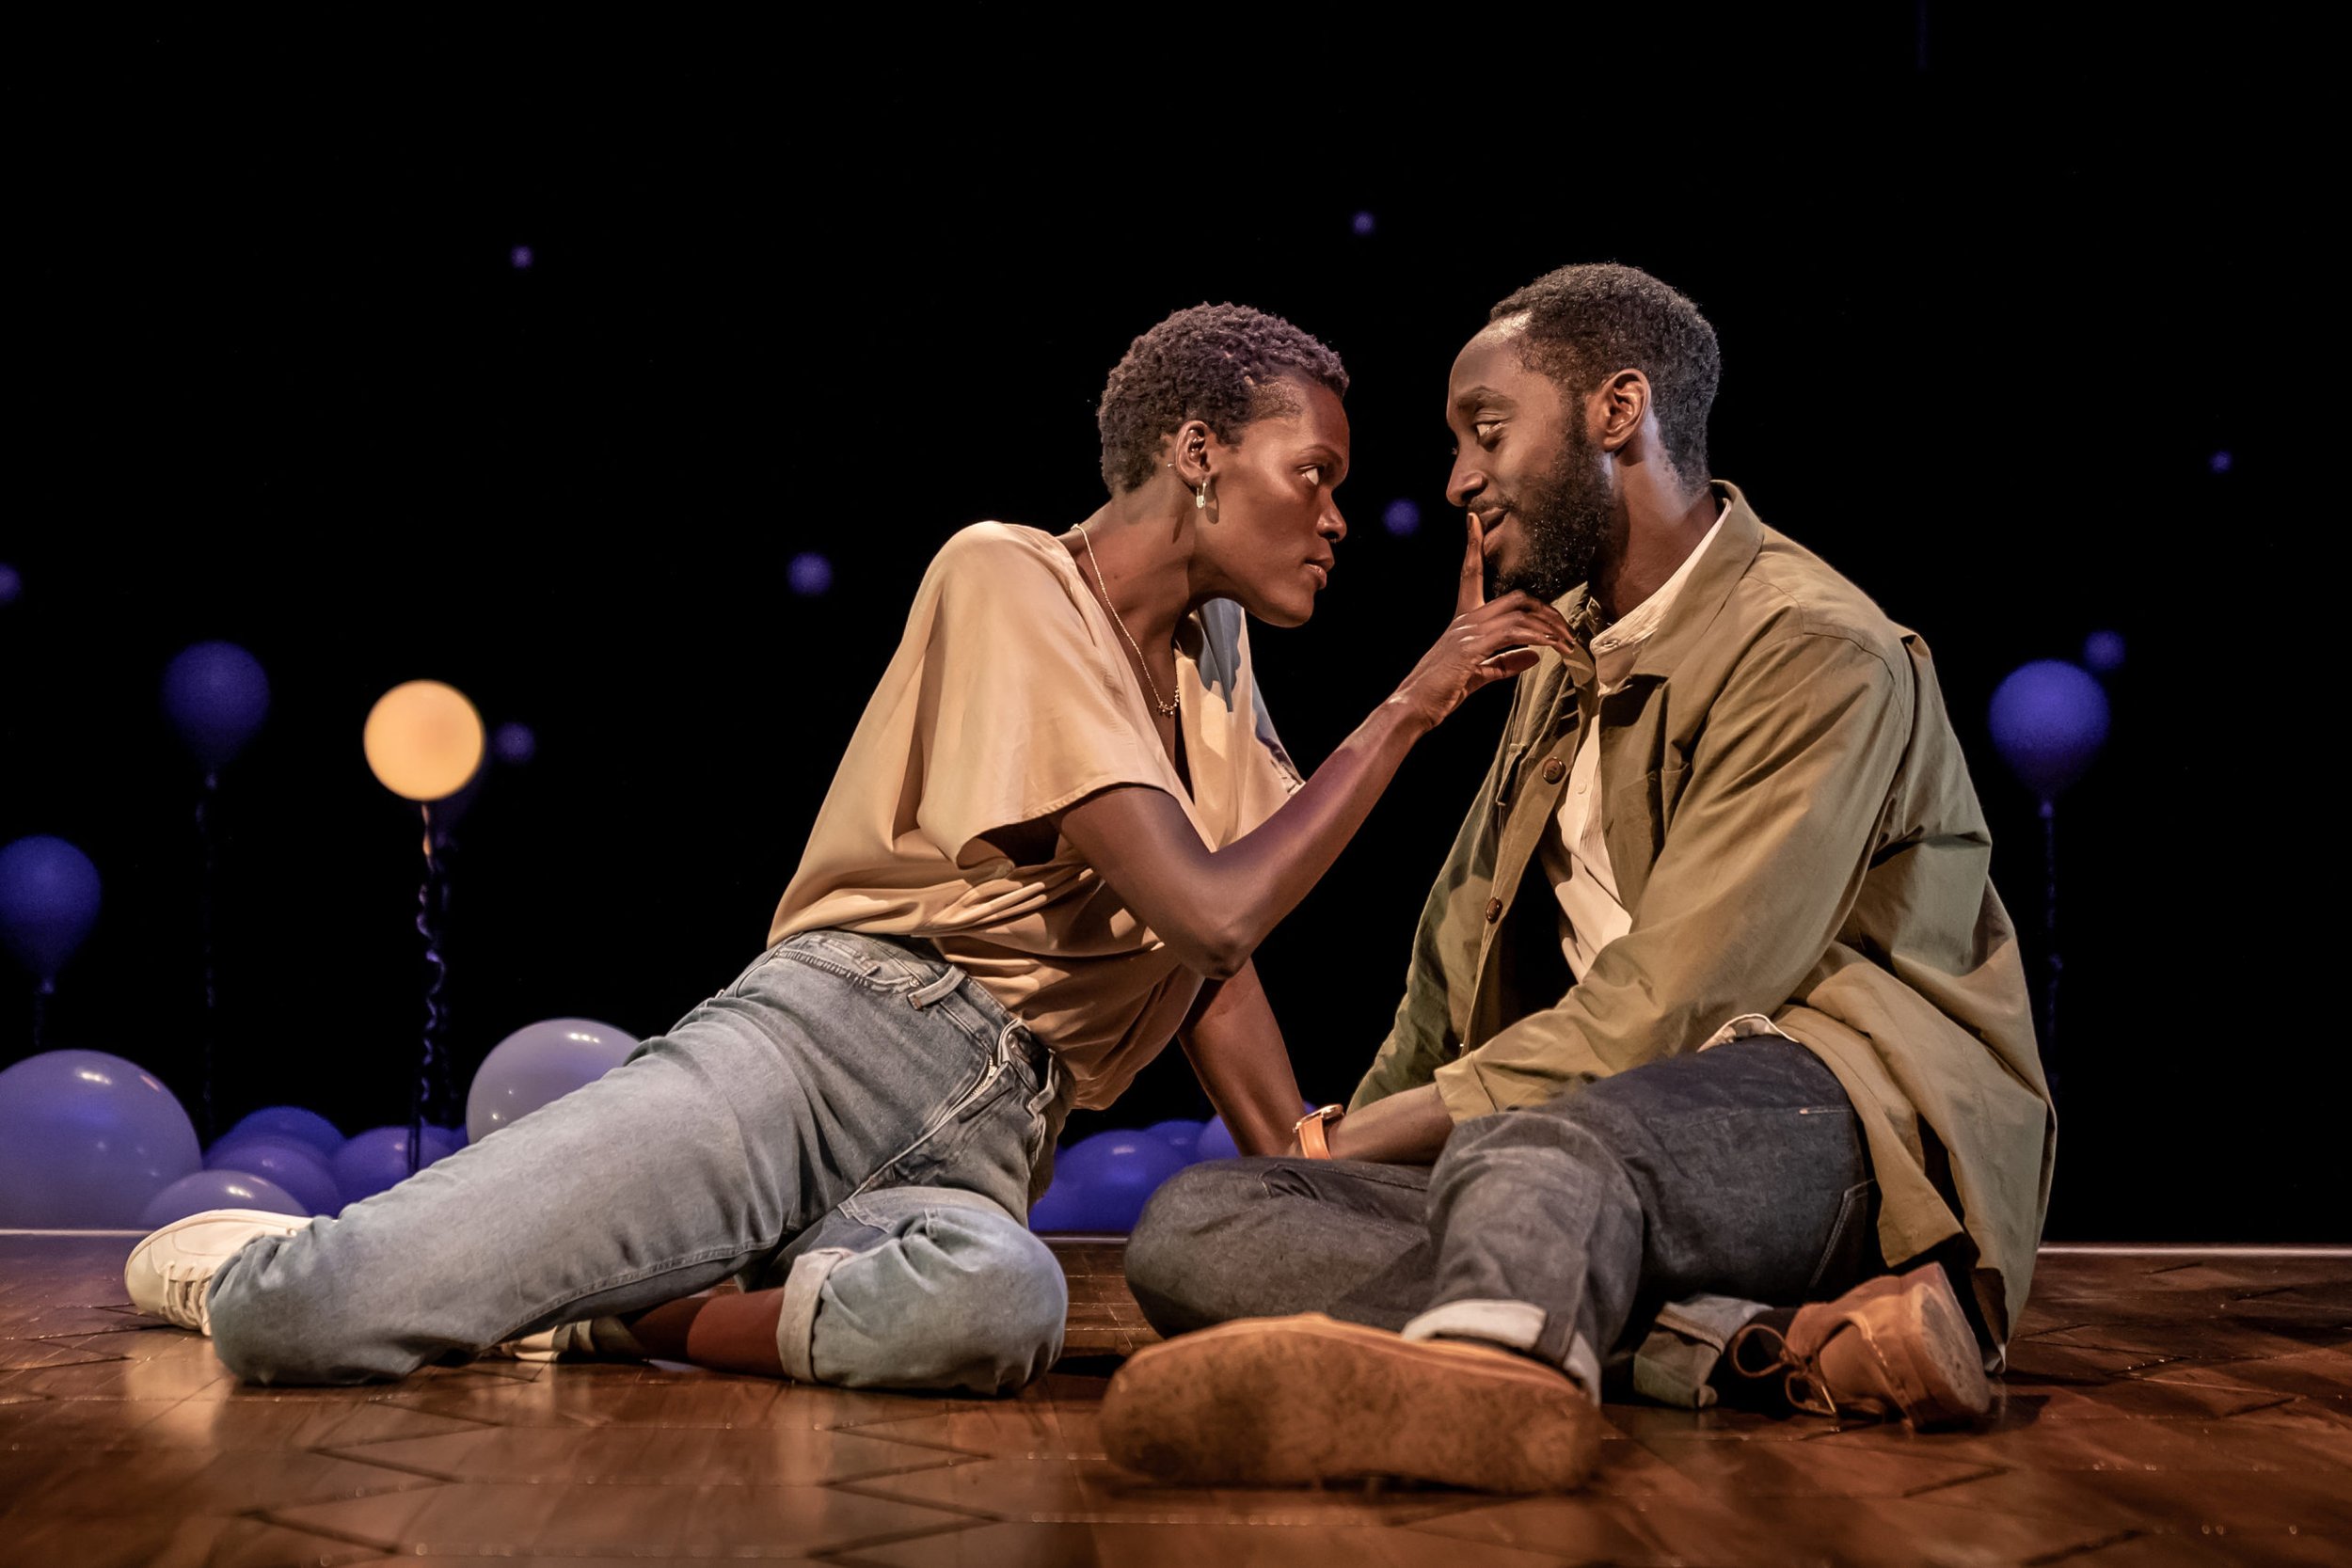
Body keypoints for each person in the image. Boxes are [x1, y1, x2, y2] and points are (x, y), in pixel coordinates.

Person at [123, 302, 1577, 1395]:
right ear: (1197, 452)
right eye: (1310, 473)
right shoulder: (1007, 574)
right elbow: (1207, 914)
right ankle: (250, 1269)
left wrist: (1294, 1174)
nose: (1336, 519)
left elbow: (1212, 964)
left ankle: (630, 1312)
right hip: (821, 1055)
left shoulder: (1213, 662)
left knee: (999, 1310)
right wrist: (1410, 705)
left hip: (990, 1141)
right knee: (299, 1327)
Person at [1104, 264, 2056, 1492]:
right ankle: (1736, 1346)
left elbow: (1672, 1005)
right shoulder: (1561, 656)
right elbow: (1457, 975)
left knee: (1544, 1148)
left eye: (1486, 431)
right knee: (1204, 1224)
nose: (1457, 478)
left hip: (1836, 1116)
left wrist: (1370, 1139)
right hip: (1589, 1138)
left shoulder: (1816, 649)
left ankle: (1497, 1385)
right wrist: (1320, 1161)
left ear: (1619, 412)